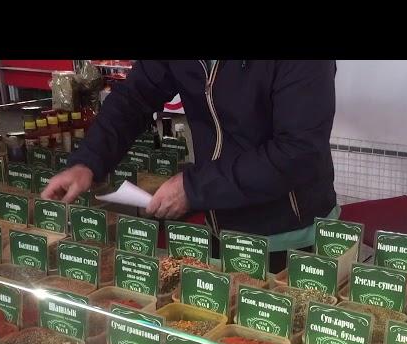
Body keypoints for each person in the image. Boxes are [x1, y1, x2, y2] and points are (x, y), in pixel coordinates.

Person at [41, 60, 339, 273]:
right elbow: (134, 98)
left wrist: (193, 188)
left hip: (293, 237)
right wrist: (87, 162)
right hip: (220, 221)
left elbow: (298, 152)